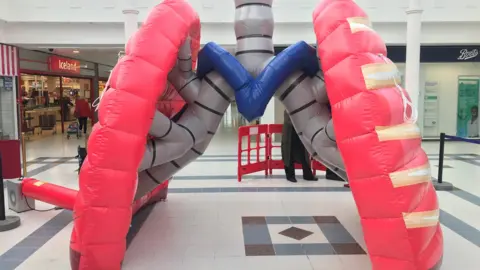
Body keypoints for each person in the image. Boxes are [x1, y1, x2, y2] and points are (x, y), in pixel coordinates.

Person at [281, 110, 317, 182]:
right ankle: (290, 175)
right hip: (290, 133)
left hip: (300, 133)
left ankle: (307, 175)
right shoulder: (288, 108)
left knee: (304, 154)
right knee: (289, 154)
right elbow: (289, 121)